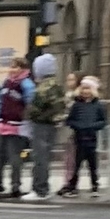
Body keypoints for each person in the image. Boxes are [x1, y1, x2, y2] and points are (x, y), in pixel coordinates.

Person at [24, 58, 71, 202]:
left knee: (40, 158)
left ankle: (39, 189)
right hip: (52, 125)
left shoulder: (43, 88)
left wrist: (30, 114)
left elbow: (34, 108)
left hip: (41, 124)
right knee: (46, 157)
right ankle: (43, 188)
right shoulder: (57, 86)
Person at [0, 54, 33, 196]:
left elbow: (30, 104)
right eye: (11, 67)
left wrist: (26, 121)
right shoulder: (6, 83)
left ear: (23, 69)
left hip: (17, 125)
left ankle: (15, 185)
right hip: (2, 123)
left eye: (16, 67)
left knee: (15, 157)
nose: (12, 70)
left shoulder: (26, 84)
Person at [63, 75, 108, 195]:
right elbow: (70, 120)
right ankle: (73, 186)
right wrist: (78, 125)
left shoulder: (98, 105)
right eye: (83, 88)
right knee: (76, 164)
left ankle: (94, 185)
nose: (85, 91)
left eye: (88, 88)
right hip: (79, 137)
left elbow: (103, 121)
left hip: (91, 138)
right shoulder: (77, 105)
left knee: (93, 165)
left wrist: (93, 126)